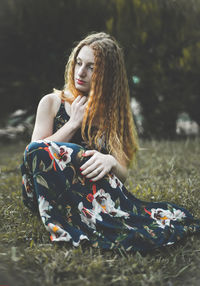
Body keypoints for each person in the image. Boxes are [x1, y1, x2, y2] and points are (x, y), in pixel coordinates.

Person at [21, 32, 199, 252]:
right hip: (47, 193)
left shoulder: (114, 115)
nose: (81, 72)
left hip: (94, 195)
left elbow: (122, 174)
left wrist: (110, 161)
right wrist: (73, 124)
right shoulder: (50, 103)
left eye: (91, 67)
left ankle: (91, 219)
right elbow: (32, 155)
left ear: (107, 75)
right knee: (40, 150)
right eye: (78, 63)